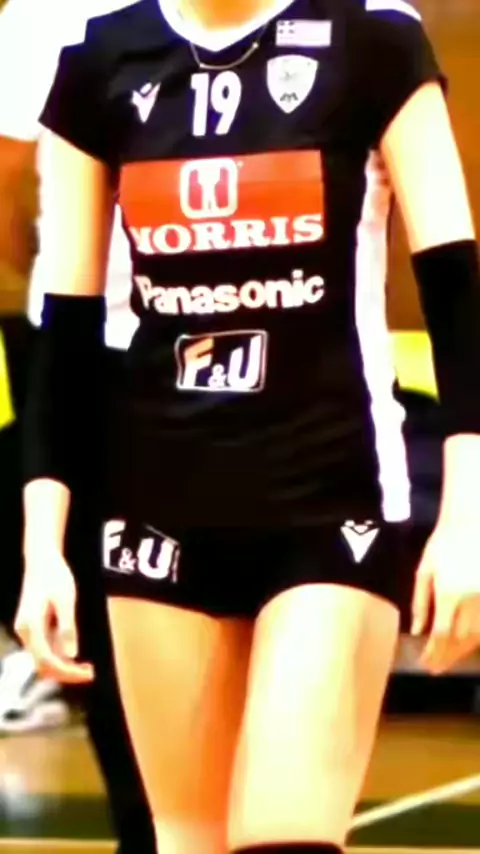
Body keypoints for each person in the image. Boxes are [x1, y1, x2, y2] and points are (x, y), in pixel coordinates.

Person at [15, 0, 480, 852]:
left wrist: (468, 519)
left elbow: (459, 299)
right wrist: (43, 546)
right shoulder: (102, 56)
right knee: (188, 839)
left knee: (284, 839)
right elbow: (64, 331)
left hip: (331, 503)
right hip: (155, 510)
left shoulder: (374, 38)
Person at [0, 0, 155, 850]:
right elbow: (7, 178)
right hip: (76, 342)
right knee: (98, 616)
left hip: (240, 348)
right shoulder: (49, 19)